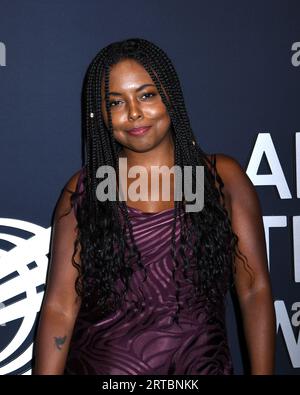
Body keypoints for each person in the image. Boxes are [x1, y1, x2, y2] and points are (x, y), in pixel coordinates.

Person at [33, 38, 276, 375]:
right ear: (101, 114)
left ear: (170, 97)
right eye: (116, 102)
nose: (133, 113)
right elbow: (61, 306)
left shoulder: (218, 179)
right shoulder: (91, 188)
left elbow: (253, 289)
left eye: (146, 95)